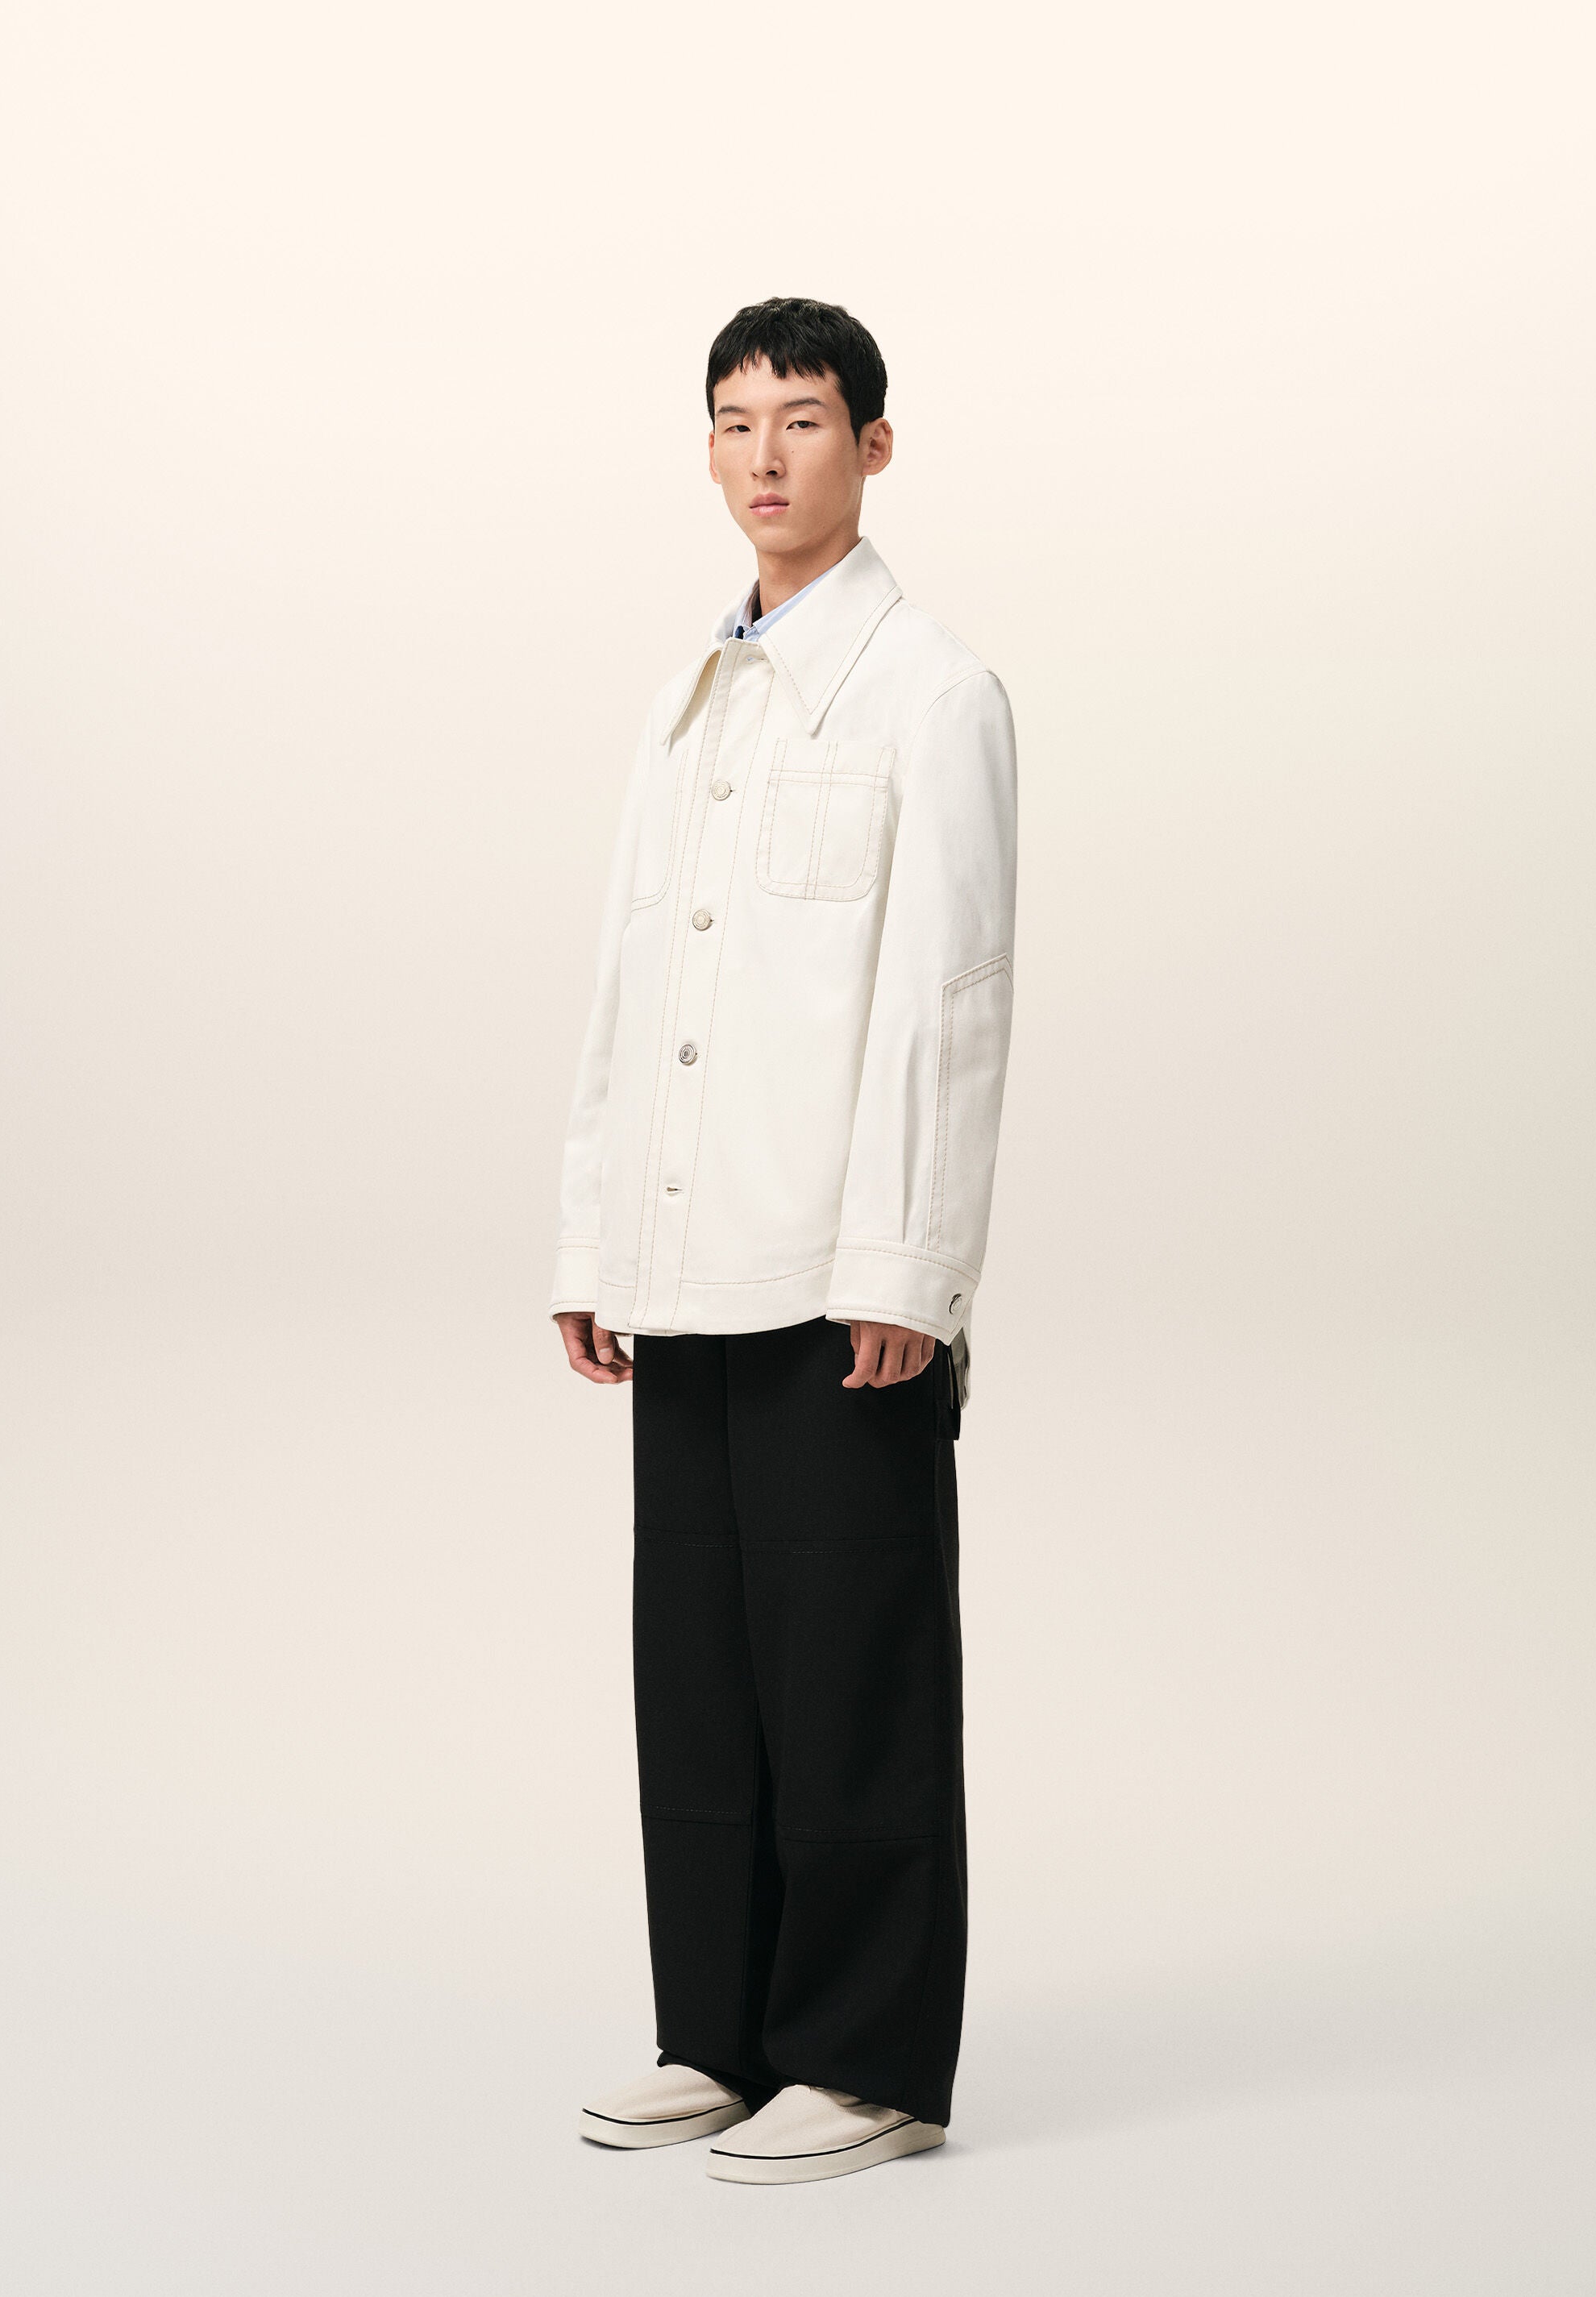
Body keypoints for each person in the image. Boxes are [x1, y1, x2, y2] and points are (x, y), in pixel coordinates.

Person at [549, 297, 1017, 2185]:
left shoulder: (933, 694)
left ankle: (870, 2059)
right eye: (736, 421)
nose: (766, 454)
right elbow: (629, 982)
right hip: (687, 1263)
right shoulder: (695, 703)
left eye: (804, 419)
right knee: (703, 1676)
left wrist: (910, 1268)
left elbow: (953, 999)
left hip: (838, 1279)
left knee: (852, 1671)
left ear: (872, 447)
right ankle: (721, 2037)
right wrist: (593, 1239)